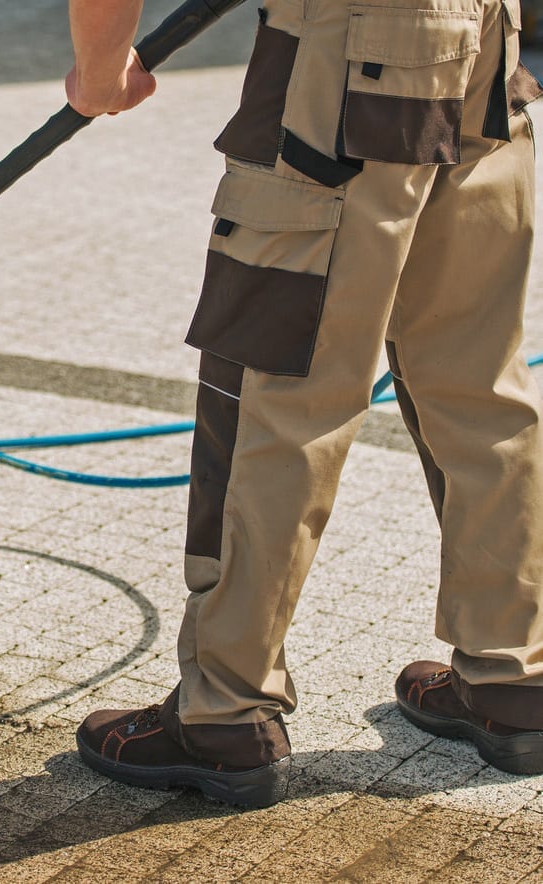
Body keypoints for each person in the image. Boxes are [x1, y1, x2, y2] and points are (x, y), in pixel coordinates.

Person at [68, 0, 543, 808]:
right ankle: (514, 679)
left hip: (344, 61)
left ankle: (224, 712)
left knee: (278, 397)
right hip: (484, 44)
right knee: (478, 386)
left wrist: (101, 67)